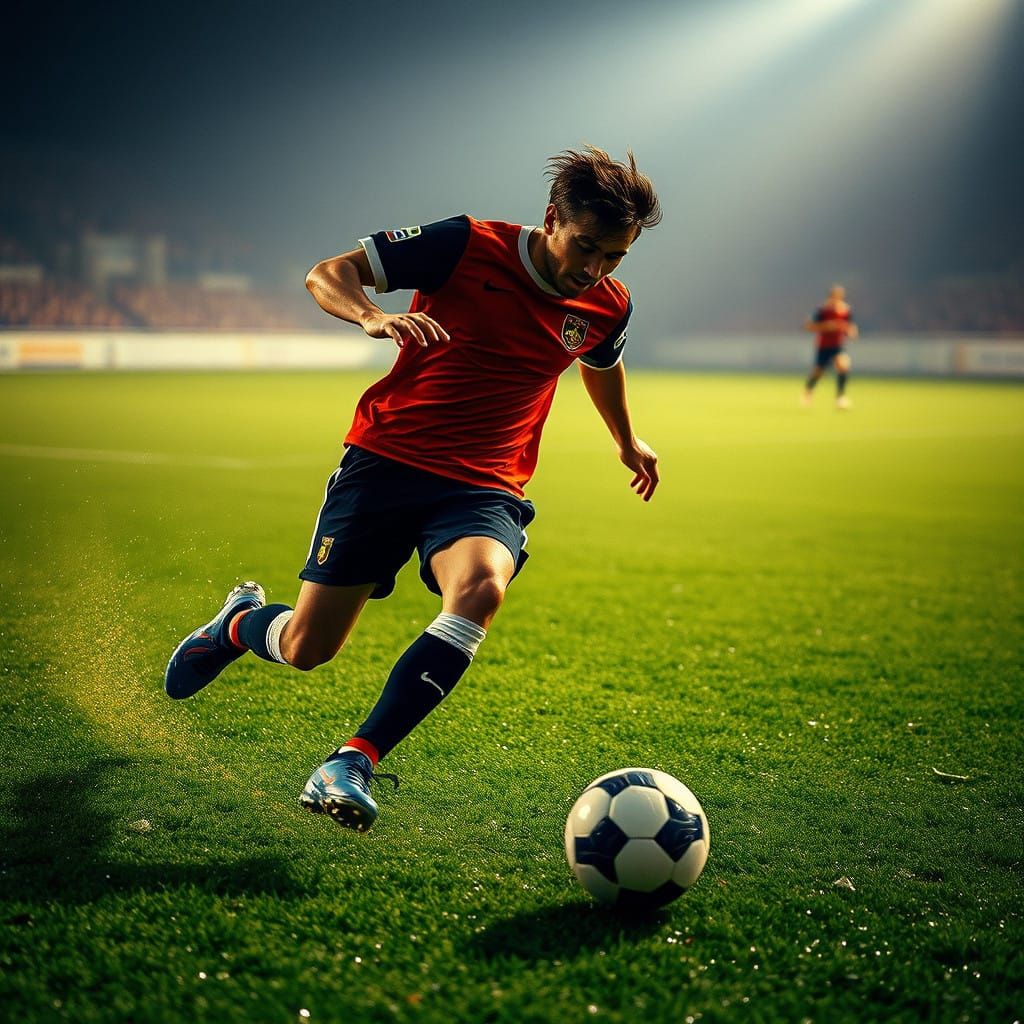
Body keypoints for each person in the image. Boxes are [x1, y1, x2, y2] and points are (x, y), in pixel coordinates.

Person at [164, 146, 662, 832]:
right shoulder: (465, 244)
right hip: (387, 462)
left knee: (481, 589)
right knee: (308, 647)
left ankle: (352, 760)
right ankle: (238, 625)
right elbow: (328, 272)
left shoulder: (608, 304)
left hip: (485, 484)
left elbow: (601, 362)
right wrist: (371, 315)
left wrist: (626, 439)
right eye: (586, 247)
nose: (595, 269)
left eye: (614, 256)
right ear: (552, 219)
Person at [801, 284, 859, 409]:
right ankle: (808, 390)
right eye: (834, 296)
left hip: (838, 345)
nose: (836, 299)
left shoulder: (845, 310)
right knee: (819, 372)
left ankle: (840, 397)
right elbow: (809, 326)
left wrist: (852, 332)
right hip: (824, 346)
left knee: (843, 365)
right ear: (830, 296)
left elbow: (850, 326)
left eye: (839, 296)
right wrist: (826, 326)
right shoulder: (823, 310)